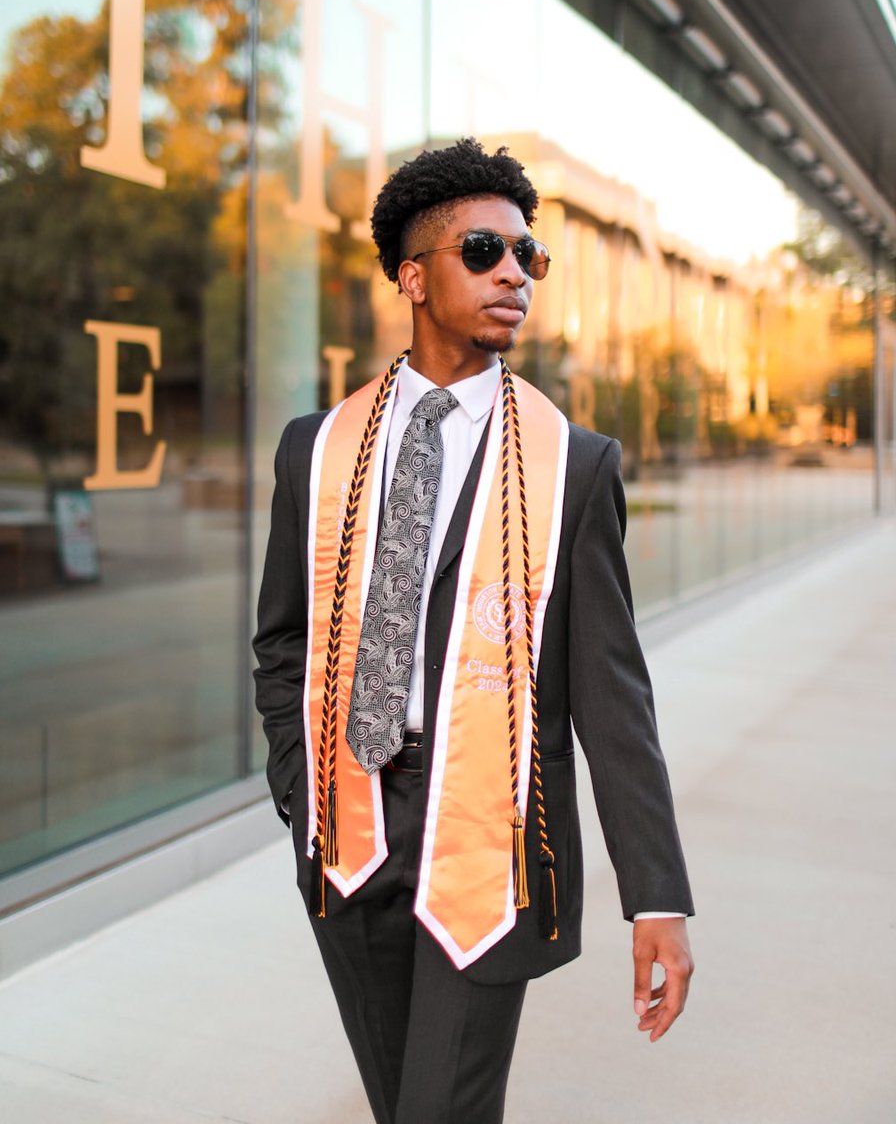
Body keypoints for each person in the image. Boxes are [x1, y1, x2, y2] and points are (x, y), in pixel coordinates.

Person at [253, 137, 694, 1124]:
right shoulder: (313, 450)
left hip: (488, 843)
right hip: (348, 833)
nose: (516, 276)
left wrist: (654, 892)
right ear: (414, 276)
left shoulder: (573, 466)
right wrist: (297, 785)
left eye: (528, 257)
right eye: (486, 251)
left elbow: (612, 695)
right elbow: (280, 643)